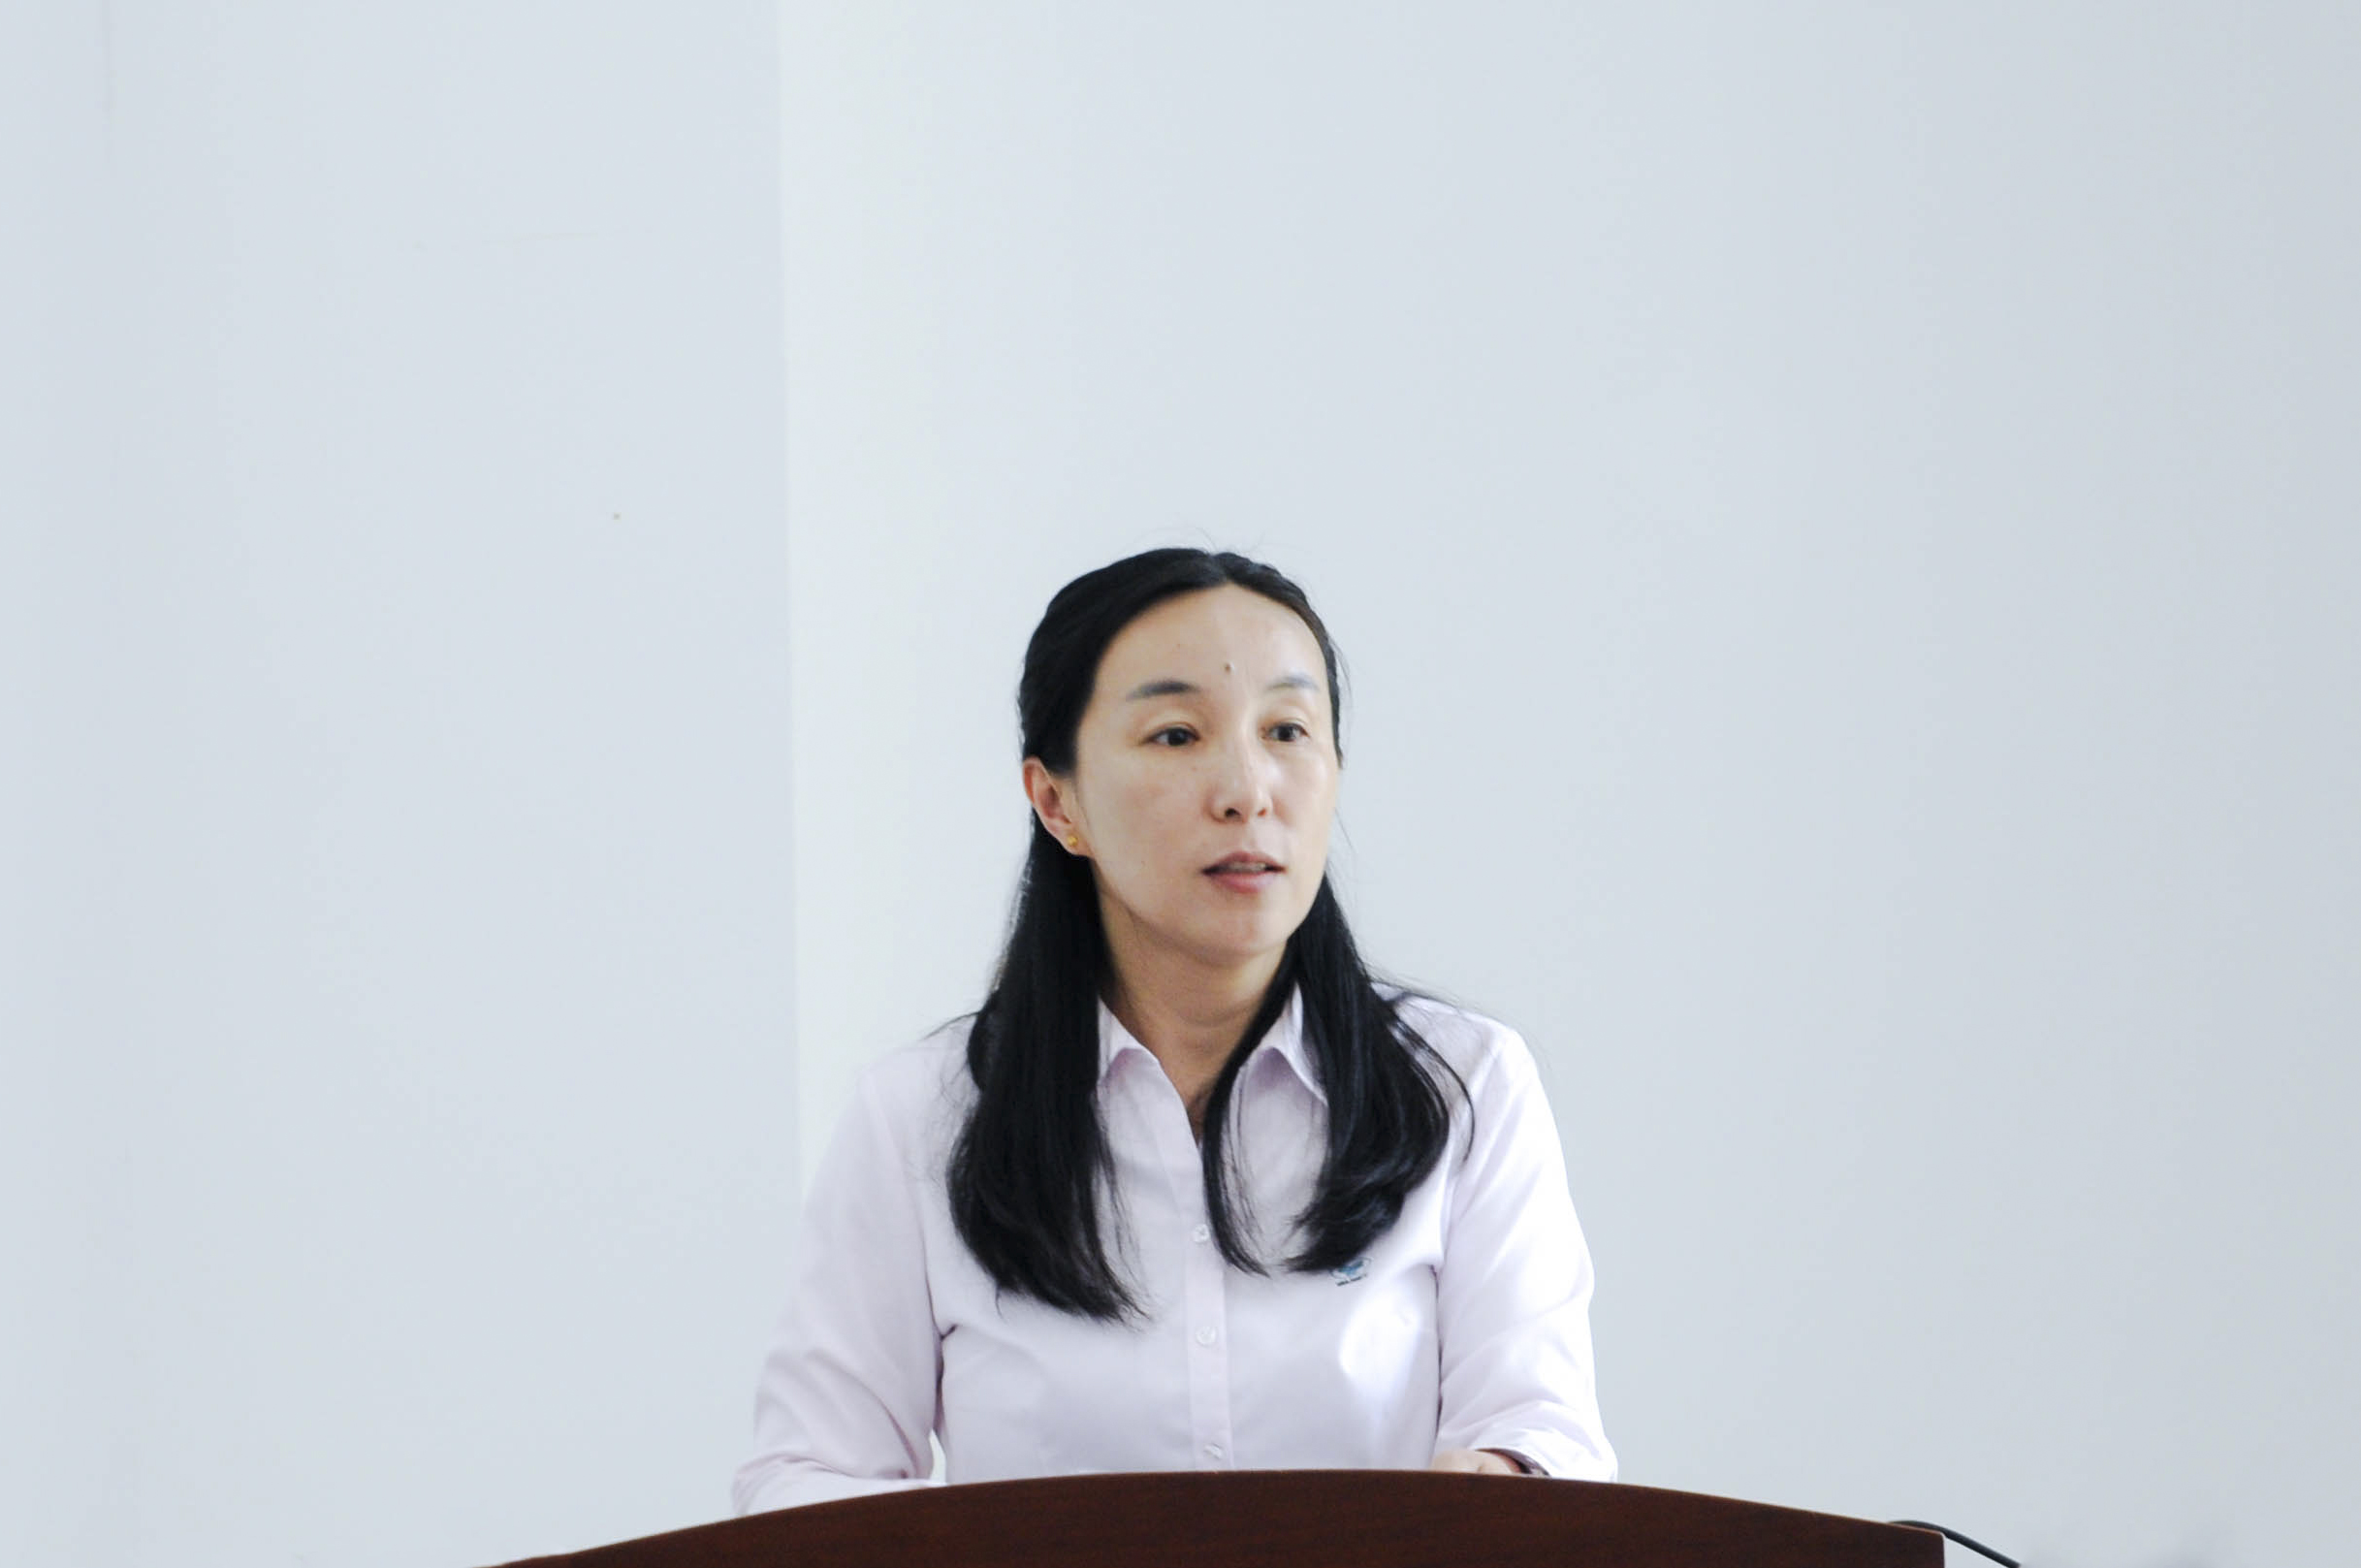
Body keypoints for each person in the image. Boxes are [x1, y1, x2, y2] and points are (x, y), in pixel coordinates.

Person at [732, 548, 1614, 1512]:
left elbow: (1542, 1432)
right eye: (1176, 734)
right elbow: (806, 1478)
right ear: (1056, 801)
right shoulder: (920, 1115)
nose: (1246, 789)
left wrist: (1504, 1483)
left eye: (1286, 730)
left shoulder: (1464, 1085)